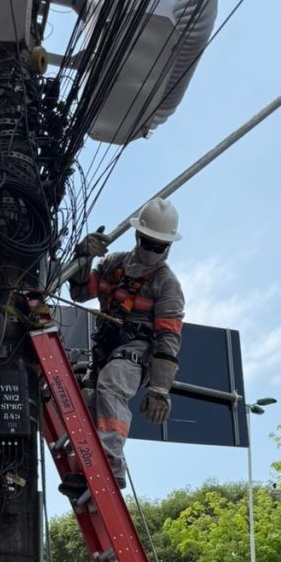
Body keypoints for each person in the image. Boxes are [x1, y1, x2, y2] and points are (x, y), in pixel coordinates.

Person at [61, 197, 185, 494]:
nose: (154, 252)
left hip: (135, 352)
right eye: (149, 243)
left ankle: (110, 468)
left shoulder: (166, 284)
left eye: (161, 247)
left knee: (111, 385)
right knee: (88, 400)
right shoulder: (113, 264)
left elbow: (168, 338)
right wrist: (83, 257)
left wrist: (159, 389)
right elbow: (79, 292)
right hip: (104, 349)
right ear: (137, 236)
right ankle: (86, 472)